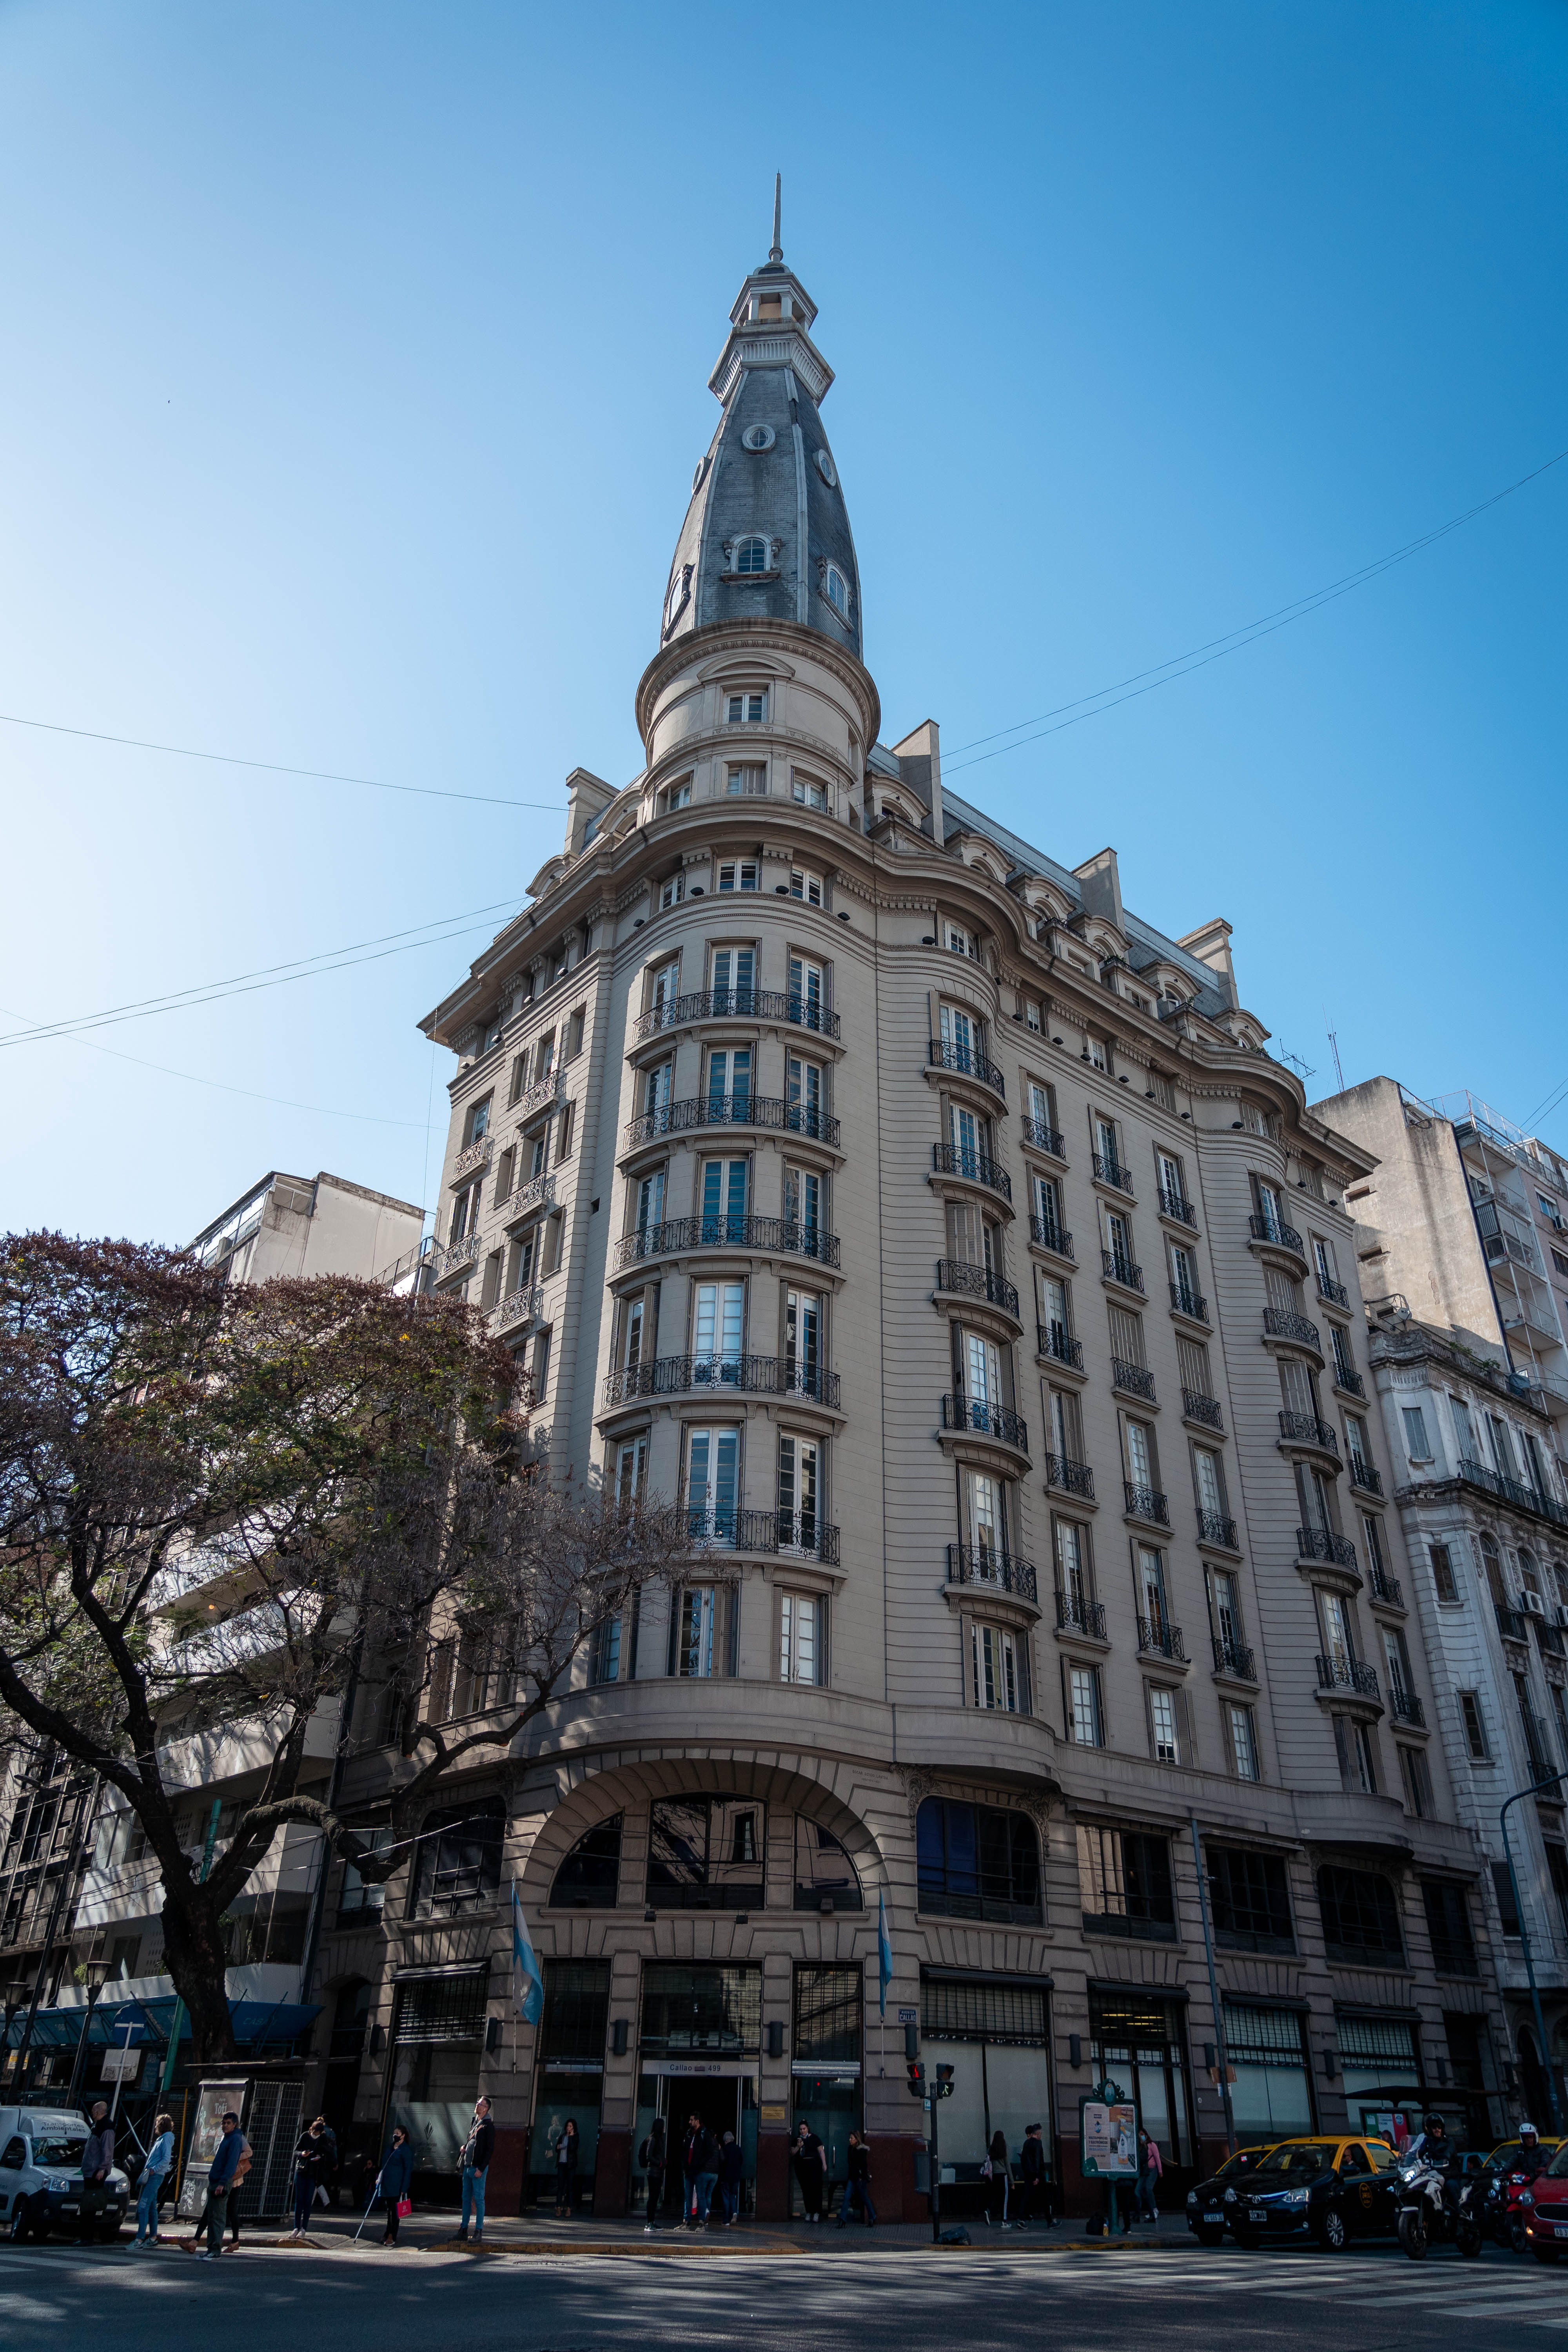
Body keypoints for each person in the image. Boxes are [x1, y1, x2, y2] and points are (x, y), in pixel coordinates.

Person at [198, 2112, 243, 2259]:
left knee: (218, 2217)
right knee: (212, 2216)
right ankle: (211, 2248)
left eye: (228, 2123)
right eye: (223, 2123)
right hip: (216, 2180)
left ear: (235, 2124)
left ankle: (216, 2249)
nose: (225, 2126)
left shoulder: (235, 2139)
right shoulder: (227, 2138)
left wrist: (222, 2183)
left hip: (221, 2182)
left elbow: (231, 2164)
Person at [133, 2112, 176, 2248]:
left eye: (157, 2124)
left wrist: (154, 2169)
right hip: (154, 2176)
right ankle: (152, 2237)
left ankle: (140, 2239)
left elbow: (166, 2159)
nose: (156, 2126)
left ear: (161, 2125)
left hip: (155, 2176)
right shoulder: (163, 2139)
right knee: (152, 2208)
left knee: (143, 2206)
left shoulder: (165, 2140)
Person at [457, 2096, 493, 2244]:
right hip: (468, 2166)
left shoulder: (488, 2126)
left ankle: (478, 2231)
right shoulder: (474, 2121)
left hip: (478, 2168)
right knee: (466, 2198)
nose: (477, 2105)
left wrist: (481, 2169)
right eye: (478, 2103)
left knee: (479, 2199)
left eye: (480, 2104)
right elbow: (471, 2140)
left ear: (486, 2109)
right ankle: (463, 2230)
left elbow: (490, 2150)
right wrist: (465, 2147)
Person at [80, 2101, 116, 2240]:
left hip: (96, 2172)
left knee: (90, 2205)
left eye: (94, 2111)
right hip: (90, 2170)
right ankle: (85, 2236)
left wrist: (102, 2169)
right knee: (87, 2204)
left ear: (99, 2112)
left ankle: (87, 2237)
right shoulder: (97, 2126)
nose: (93, 2114)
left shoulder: (106, 2127)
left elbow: (107, 2151)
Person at [290, 2116, 329, 2239]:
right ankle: (296, 2228)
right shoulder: (305, 2136)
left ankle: (304, 2229)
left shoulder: (322, 2139)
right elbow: (295, 2151)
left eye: (317, 2133)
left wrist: (320, 2157)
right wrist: (302, 2154)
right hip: (302, 2171)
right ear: (311, 2129)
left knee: (308, 2202)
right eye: (314, 2132)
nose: (315, 2135)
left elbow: (326, 2153)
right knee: (299, 2201)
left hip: (313, 2173)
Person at [377, 2126, 413, 2247]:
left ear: (403, 2135)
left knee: (395, 2212)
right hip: (387, 2183)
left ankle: (392, 2235)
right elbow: (384, 2163)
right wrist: (380, 2178)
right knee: (389, 2211)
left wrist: (404, 2188)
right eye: (394, 2133)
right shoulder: (390, 2147)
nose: (395, 2135)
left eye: (397, 2133)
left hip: (397, 2185)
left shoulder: (406, 2150)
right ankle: (388, 2232)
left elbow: (408, 2170)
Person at [837, 2132, 876, 2229]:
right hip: (852, 2178)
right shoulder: (850, 2149)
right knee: (847, 2197)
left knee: (864, 2198)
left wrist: (861, 2176)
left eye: (852, 2138)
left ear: (856, 2139)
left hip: (860, 2179)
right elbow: (850, 2163)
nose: (850, 2140)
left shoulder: (862, 2149)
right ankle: (842, 2220)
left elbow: (864, 2165)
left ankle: (872, 2217)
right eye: (850, 2138)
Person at [792, 2121, 827, 2223]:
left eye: (804, 2129)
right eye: (801, 2129)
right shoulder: (796, 2140)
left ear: (808, 2128)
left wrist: (824, 2163)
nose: (803, 2131)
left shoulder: (814, 2138)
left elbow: (821, 2151)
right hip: (802, 2168)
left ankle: (817, 2212)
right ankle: (809, 2212)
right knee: (806, 2190)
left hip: (815, 2167)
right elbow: (792, 2153)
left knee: (816, 2189)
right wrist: (798, 2147)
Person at [687, 2120, 720, 2229]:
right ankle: (707, 2212)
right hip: (715, 2174)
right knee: (708, 2195)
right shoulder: (718, 2145)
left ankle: (704, 2213)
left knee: (701, 2195)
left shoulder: (705, 2142)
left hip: (705, 2172)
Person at [1017, 2124, 1049, 2228]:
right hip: (1037, 2174)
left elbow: (1024, 2160)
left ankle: (1021, 2218)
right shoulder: (1038, 2143)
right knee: (1045, 2198)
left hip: (1028, 2174)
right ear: (1038, 2133)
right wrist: (1037, 2176)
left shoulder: (1026, 2143)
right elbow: (1037, 2159)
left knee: (1026, 2196)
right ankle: (1050, 2221)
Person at [642, 2116, 667, 2235]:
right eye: (663, 2126)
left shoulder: (659, 2139)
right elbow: (649, 2156)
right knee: (652, 2198)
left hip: (658, 2172)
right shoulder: (653, 2139)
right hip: (653, 2173)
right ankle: (649, 2223)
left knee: (655, 2198)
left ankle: (652, 2221)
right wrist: (660, 2163)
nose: (664, 2128)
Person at [554, 2116, 579, 2220]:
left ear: (573, 2128)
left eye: (571, 2126)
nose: (569, 2128)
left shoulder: (575, 2137)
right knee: (560, 2186)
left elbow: (573, 2148)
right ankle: (558, 2207)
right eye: (568, 2126)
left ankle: (569, 2208)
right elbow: (557, 2148)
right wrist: (560, 2146)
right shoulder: (563, 2136)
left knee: (570, 2187)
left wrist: (571, 2138)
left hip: (570, 2165)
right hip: (562, 2163)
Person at [719, 2129, 744, 2227]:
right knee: (733, 2196)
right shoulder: (738, 2148)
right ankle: (734, 2212)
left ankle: (726, 2220)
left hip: (726, 2177)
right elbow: (741, 2161)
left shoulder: (724, 2149)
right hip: (736, 2177)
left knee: (726, 2197)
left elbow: (722, 2162)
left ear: (726, 2140)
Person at [985, 2129, 1010, 2227]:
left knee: (995, 2196)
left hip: (994, 2175)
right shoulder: (1003, 2150)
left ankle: (989, 2210)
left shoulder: (991, 2149)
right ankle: (1004, 2221)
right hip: (1003, 2175)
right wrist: (1012, 2181)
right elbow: (1008, 2166)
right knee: (1005, 2198)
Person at [1137, 2131, 1162, 2223]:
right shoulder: (1142, 2146)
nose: (1141, 2137)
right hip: (1145, 2171)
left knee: (1148, 2188)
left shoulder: (1152, 2145)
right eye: (1140, 2135)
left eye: (1143, 2135)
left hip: (1152, 2170)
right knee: (1143, 2190)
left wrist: (1160, 2171)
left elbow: (1157, 2158)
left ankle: (1154, 2209)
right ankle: (1151, 2210)